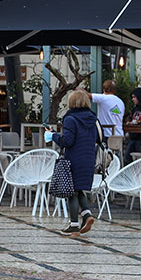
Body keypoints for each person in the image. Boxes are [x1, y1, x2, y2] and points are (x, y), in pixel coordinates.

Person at [46, 89, 102, 237]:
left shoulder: (70, 119)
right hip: (89, 159)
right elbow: (100, 138)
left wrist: (53, 135)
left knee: (71, 191)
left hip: (74, 160)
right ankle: (87, 215)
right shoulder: (93, 118)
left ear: (72, 102)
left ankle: (74, 225)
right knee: (78, 189)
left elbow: (67, 141)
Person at [91, 80, 124, 144]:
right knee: (117, 153)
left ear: (104, 89)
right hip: (119, 134)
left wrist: (76, 88)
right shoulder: (120, 102)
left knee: (104, 153)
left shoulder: (103, 98)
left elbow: (88, 95)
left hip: (106, 134)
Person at [125, 87, 141, 160]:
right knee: (128, 159)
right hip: (133, 137)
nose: (133, 99)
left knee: (140, 160)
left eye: (134, 97)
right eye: (132, 97)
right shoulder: (134, 109)